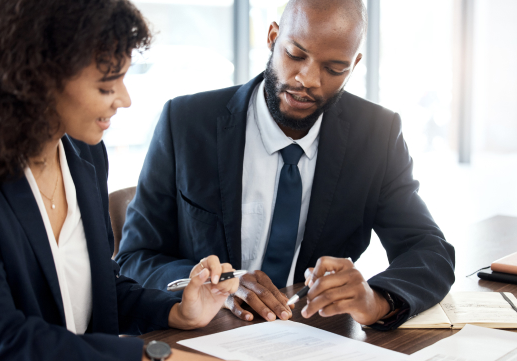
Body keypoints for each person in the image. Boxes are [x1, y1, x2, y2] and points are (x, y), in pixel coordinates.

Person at [116, 0, 455, 330]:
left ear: (354, 64)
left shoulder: (376, 136)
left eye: (334, 68)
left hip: (314, 337)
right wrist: (209, 285)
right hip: (206, 334)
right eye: (295, 54)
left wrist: (376, 299)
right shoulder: (187, 123)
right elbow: (135, 257)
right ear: (272, 37)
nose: (308, 79)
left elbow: (430, 250)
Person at [0, 0, 238, 360]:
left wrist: (176, 312)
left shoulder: (83, 152)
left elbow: (97, 287)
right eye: (107, 85)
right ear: (35, 80)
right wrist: (147, 357)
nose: (125, 98)